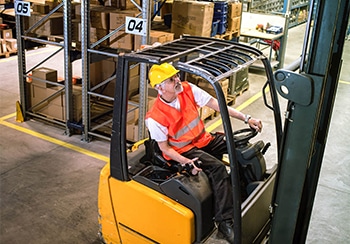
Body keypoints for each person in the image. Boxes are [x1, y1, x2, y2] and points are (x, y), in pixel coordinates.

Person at [145, 63, 262, 243]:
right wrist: (185, 161)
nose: (177, 80)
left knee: (239, 148)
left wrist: (247, 118)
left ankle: (244, 192)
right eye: (171, 79)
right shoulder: (155, 117)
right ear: (159, 88)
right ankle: (224, 221)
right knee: (218, 169)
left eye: (176, 76)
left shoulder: (187, 89)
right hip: (184, 150)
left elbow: (216, 104)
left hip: (203, 139)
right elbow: (165, 148)